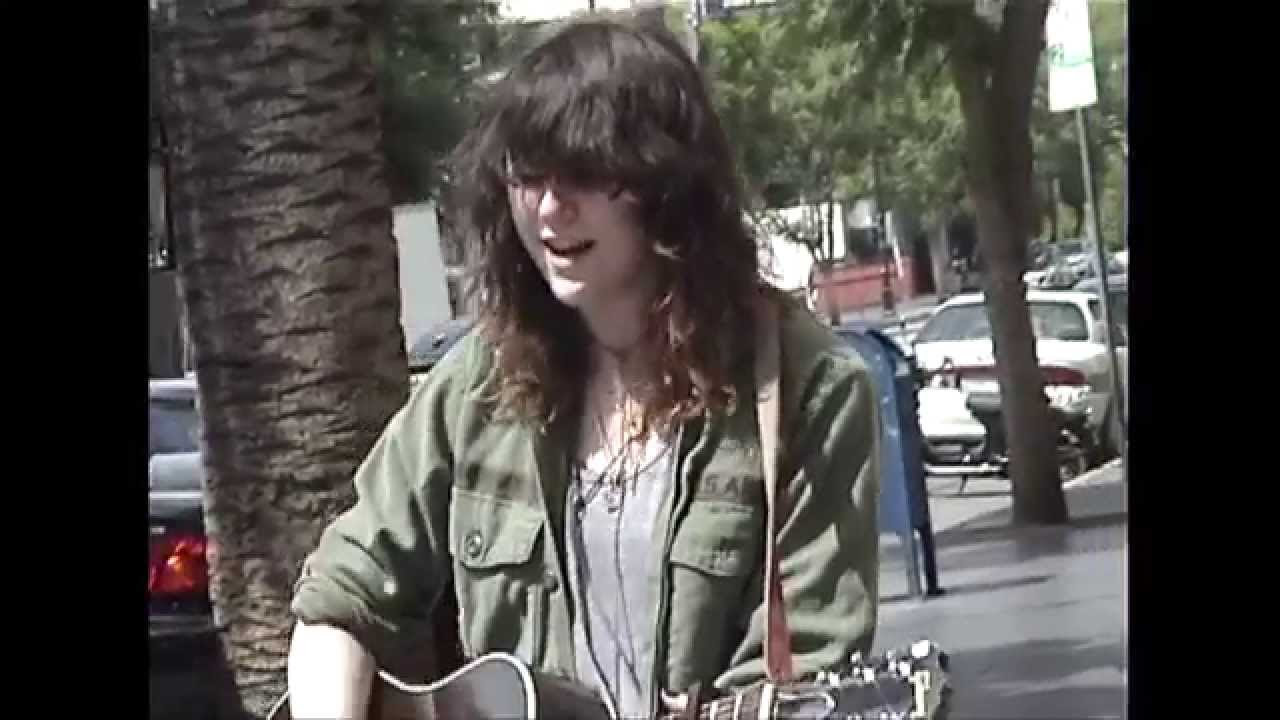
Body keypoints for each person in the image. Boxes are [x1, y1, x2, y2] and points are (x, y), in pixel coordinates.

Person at [287, 14, 881, 720]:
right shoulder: (478, 383)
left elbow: (809, 662)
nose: (550, 207)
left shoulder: (808, 389)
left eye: (586, 173)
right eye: (528, 175)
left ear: (668, 184)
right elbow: (338, 599)